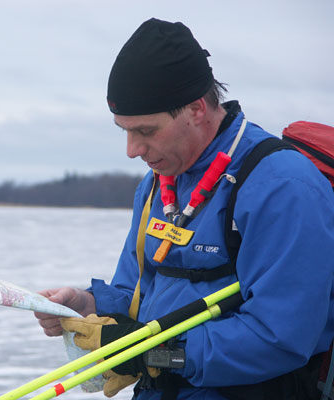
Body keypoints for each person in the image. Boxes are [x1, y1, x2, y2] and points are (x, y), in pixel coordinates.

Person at [34, 18, 334, 400]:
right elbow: (141, 295)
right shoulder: (157, 183)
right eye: (124, 131)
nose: (132, 150)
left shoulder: (281, 185)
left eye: (145, 131)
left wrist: (154, 355)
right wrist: (88, 304)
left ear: (195, 109)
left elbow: (280, 337)